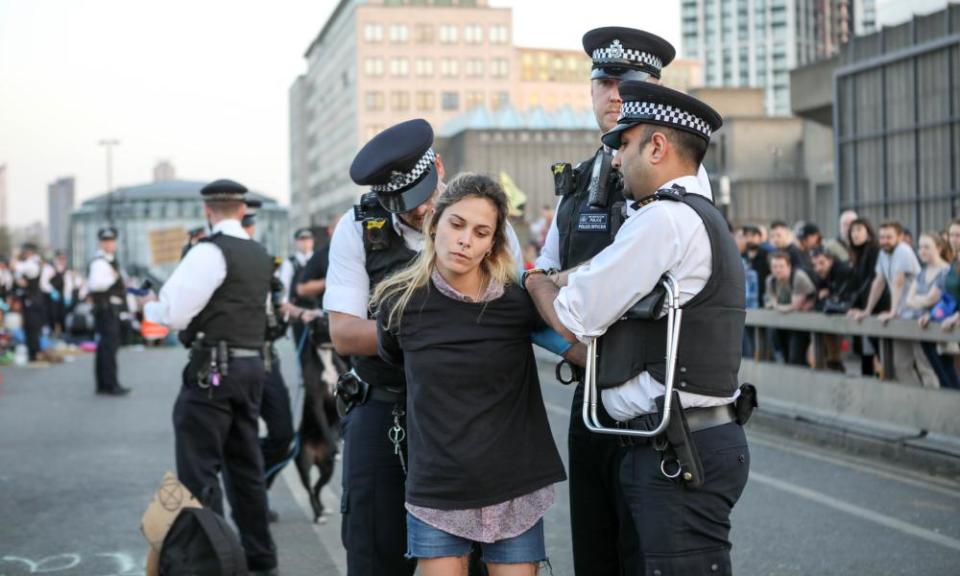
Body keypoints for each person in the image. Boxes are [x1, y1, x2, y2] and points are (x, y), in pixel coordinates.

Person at [527, 80, 751, 575]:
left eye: (623, 144)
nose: (615, 160)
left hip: (674, 447)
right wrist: (564, 277)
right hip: (689, 438)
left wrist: (535, 282)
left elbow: (572, 316)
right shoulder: (697, 216)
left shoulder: (662, 220)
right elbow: (597, 275)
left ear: (656, 146)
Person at [372, 173, 566, 576]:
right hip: (438, 488)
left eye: (481, 232)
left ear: (492, 244)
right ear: (435, 223)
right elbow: (393, 360)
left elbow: (572, 337)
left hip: (515, 484)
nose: (465, 240)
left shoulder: (517, 303)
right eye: (457, 225)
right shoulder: (399, 303)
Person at [325, 119, 447, 576]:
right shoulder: (357, 228)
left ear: (438, 166)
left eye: (423, 198)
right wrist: (421, 333)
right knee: (374, 552)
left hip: (460, 415)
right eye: (405, 206)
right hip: (384, 406)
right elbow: (344, 332)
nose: (419, 213)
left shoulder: (478, 219)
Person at [143, 179, 278, 576]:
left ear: (208, 211)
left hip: (212, 371)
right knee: (246, 467)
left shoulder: (209, 252)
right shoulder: (259, 253)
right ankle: (260, 557)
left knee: (199, 470)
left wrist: (150, 307)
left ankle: (214, 562)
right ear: (240, 210)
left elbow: (174, 314)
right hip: (252, 368)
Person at [243, 199, 296, 511]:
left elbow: (277, 305)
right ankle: (250, 500)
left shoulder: (264, 261)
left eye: (250, 226)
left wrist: (280, 309)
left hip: (266, 356)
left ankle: (256, 488)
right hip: (235, 359)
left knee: (283, 434)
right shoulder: (216, 258)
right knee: (241, 437)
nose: (249, 231)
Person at [850, 221, 937, 387]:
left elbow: (898, 280)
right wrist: (867, 310)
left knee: (924, 365)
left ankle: (934, 406)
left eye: (889, 237)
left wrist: (892, 311)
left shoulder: (903, 251)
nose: (884, 241)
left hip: (916, 315)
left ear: (900, 237)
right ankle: (915, 401)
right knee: (900, 365)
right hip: (901, 316)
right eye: (882, 237)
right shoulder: (883, 254)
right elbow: (879, 281)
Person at [910, 232, 957, 389]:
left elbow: (933, 298)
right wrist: (931, 314)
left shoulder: (946, 269)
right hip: (940, 324)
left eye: (958, 235)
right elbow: (947, 299)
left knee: (950, 375)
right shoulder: (954, 266)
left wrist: (955, 316)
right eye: (952, 235)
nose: (954, 239)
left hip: (951, 327)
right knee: (944, 376)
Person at [87, 229, 130, 395]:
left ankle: (104, 384)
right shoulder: (100, 262)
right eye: (106, 241)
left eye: (112, 241)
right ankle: (111, 384)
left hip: (110, 310)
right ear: (101, 243)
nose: (109, 244)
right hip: (106, 310)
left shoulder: (110, 261)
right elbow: (96, 285)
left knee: (106, 348)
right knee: (109, 348)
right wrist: (113, 277)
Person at [846, 218, 887, 376]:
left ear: (869, 233)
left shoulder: (873, 251)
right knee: (867, 355)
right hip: (864, 310)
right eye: (853, 231)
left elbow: (871, 281)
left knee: (879, 353)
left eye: (859, 230)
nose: (855, 234)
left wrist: (859, 305)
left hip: (876, 309)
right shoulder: (858, 254)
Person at [765, 251, 816, 365]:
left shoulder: (798, 277)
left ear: (789, 266)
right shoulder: (770, 281)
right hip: (783, 323)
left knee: (796, 358)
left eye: (781, 266)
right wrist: (778, 306)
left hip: (803, 322)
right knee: (785, 356)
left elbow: (795, 306)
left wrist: (777, 306)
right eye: (774, 267)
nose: (778, 270)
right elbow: (772, 301)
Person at [811, 248, 854, 371]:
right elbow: (819, 301)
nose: (818, 268)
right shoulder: (821, 274)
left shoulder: (842, 270)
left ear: (830, 261)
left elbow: (842, 298)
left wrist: (830, 295)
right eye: (814, 264)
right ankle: (833, 361)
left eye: (821, 263)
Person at [13, 243, 46, 364]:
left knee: (32, 328)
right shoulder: (32, 263)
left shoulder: (32, 263)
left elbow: (19, 270)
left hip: (32, 300)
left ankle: (34, 353)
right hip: (31, 300)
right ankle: (34, 352)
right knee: (31, 328)